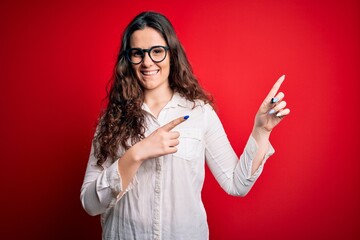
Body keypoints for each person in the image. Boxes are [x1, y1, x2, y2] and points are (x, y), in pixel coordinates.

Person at [80, 11, 290, 240]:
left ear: (172, 54)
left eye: (157, 51)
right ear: (128, 60)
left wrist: (261, 131)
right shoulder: (112, 120)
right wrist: (136, 153)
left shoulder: (199, 113)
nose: (147, 62)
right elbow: (90, 204)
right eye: (137, 54)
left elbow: (236, 185)